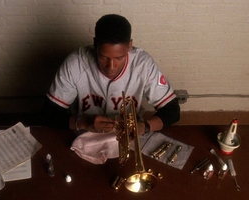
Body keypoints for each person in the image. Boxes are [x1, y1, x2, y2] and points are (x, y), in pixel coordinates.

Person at [43, 14, 180, 135]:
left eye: (119, 58)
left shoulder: (143, 65)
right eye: (104, 57)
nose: (111, 67)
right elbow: (49, 114)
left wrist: (144, 127)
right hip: (84, 133)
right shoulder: (76, 63)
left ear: (129, 46)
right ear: (95, 44)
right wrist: (84, 122)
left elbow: (172, 111)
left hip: (128, 136)